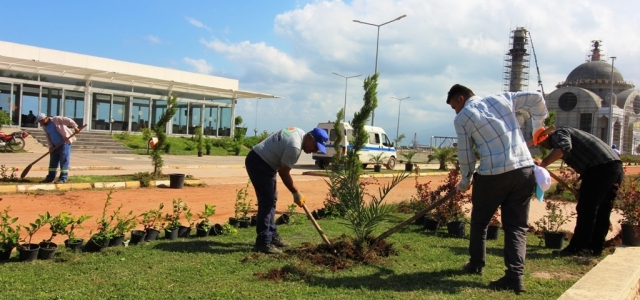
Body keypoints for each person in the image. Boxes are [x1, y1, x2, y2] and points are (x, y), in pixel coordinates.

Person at [447, 84, 548, 293]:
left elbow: (466, 154)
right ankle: (515, 277)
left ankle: (476, 264)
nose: (455, 111)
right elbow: (537, 97)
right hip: (523, 171)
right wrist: (539, 125)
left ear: (460, 98)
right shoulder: (502, 99)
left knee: (480, 221)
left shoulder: (463, 117)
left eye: (453, 106)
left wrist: (465, 180)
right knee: (517, 226)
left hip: (493, 175)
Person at [534, 127, 622, 257]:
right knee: (602, 210)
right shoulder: (568, 134)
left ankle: (577, 248)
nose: (543, 146)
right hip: (614, 168)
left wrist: (543, 163)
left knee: (587, 209)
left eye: (541, 143)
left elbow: (564, 147)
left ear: (544, 137)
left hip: (601, 168)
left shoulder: (559, 133)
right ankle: (595, 249)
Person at [245, 127, 328, 254]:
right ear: (310, 138)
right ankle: (263, 242)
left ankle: (271, 236)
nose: (315, 150)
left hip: (263, 161)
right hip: (259, 163)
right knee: (267, 201)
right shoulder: (294, 147)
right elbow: (284, 172)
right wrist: (296, 192)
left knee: (271, 199)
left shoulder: (300, 132)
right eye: (316, 146)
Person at [36, 113, 80, 183]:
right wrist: (50, 146)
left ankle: (63, 178)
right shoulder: (45, 127)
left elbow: (69, 120)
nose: (41, 123)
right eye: (39, 122)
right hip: (54, 146)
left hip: (64, 144)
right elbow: (48, 137)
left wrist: (75, 127)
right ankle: (50, 178)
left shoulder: (56, 119)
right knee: (53, 163)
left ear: (45, 118)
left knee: (64, 161)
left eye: (41, 121)